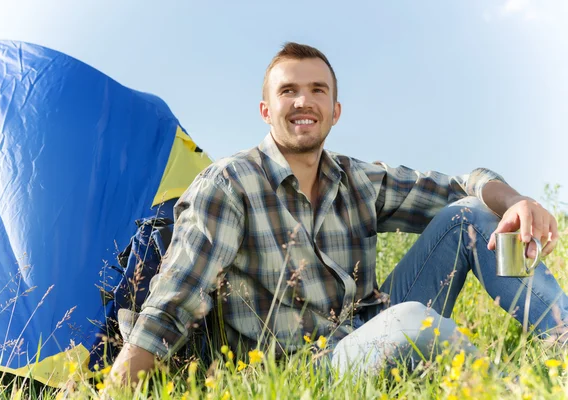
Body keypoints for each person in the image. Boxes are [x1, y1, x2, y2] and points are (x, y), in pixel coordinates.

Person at [109, 42, 565, 383]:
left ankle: (561, 338)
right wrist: (115, 390)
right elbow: (173, 302)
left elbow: (462, 188)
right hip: (305, 371)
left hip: (370, 326)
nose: (303, 101)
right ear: (267, 110)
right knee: (412, 324)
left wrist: (517, 202)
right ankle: (505, 387)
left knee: (470, 214)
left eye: (317, 90)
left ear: (334, 111)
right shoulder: (230, 184)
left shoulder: (357, 179)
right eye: (288, 91)